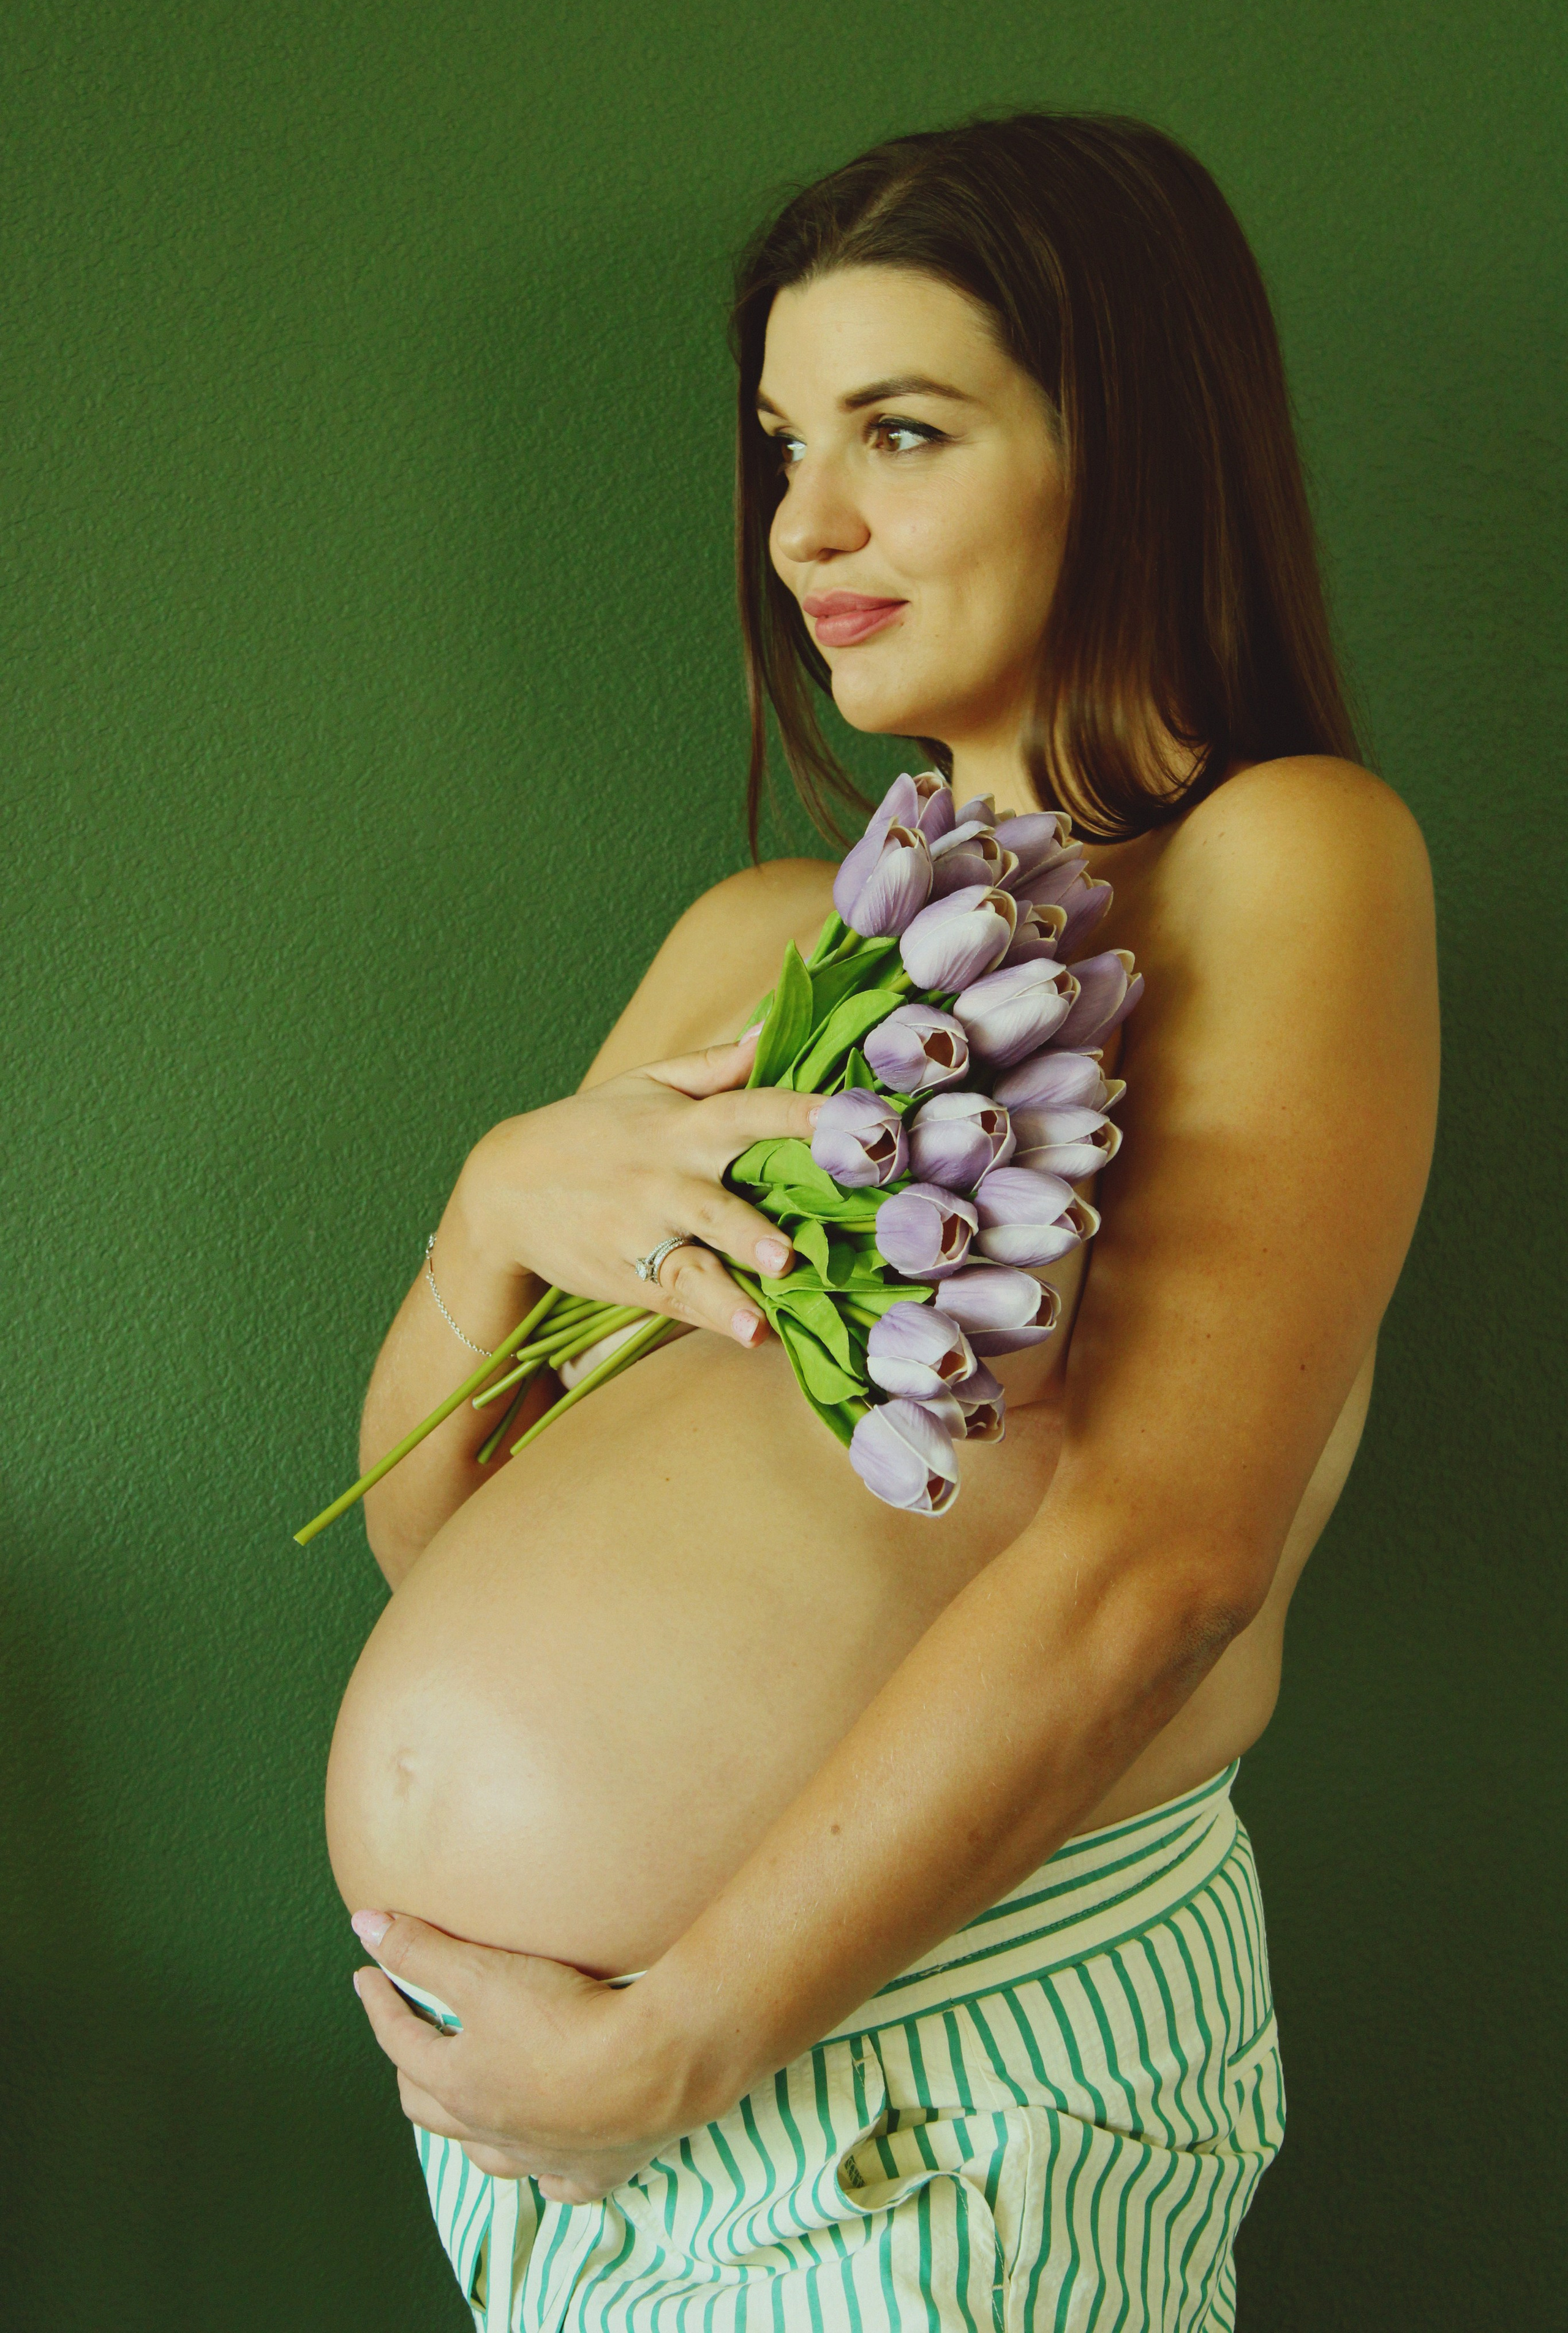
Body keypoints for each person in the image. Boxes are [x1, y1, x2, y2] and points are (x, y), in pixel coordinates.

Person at [323, 112, 1438, 2331]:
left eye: (900, 433)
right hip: (563, 2142)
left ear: (1125, 450)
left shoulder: (1277, 866)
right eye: (781, 447)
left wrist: (682, 2037)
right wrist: (491, 1213)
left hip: (907, 2073)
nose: (806, 526)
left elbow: (1165, 1568)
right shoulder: (752, 939)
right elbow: (436, 1539)